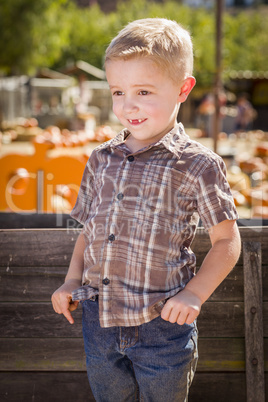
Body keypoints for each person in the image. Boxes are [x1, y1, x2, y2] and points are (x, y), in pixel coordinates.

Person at [51, 18, 241, 402]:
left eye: (143, 91)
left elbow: (226, 241)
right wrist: (72, 280)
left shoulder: (197, 164)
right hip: (98, 323)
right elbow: (89, 231)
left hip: (162, 326)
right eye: (118, 91)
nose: (128, 105)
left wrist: (194, 295)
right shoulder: (101, 159)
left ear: (183, 89)